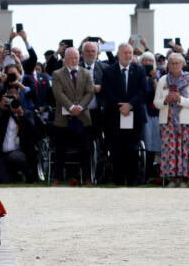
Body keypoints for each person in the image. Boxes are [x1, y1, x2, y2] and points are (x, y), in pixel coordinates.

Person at [102, 42, 147, 186]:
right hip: (115, 116)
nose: (128, 55)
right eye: (125, 53)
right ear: (118, 54)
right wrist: (121, 106)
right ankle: (119, 179)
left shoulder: (140, 70)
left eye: (130, 53)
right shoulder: (109, 71)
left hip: (135, 116)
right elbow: (106, 91)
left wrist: (130, 105)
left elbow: (143, 91)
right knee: (117, 149)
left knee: (132, 149)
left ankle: (133, 180)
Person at [153, 53, 189, 187]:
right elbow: (156, 102)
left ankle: (183, 180)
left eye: (177, 63)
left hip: (185, 121)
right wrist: (165, 100)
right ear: (168, 65)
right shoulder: (162, 80)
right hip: (167, 121)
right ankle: (172, 180)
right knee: (169, 151)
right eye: (171, 63)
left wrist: (180, 99)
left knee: (185, 150)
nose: (174, 66)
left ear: (182, 64)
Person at [51, 47, 94, 186]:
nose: (74, 61)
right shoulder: (57, 74)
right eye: (71, 58)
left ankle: (87, 178)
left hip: (83, 118)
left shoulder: (86, 73)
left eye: (76, 58)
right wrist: (70, 107)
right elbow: (58, 93)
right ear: (65, 59)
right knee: (60, 148)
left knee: (85, 149)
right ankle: (57, 177)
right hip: (63, 119)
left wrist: (79, 108)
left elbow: (90, 92)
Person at [0, 88, 37, 183]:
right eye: (10, 101)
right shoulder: (3, 114)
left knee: (15, 157)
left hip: (20, 153)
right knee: (4, 180)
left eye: (15, 101)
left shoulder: (26, 113)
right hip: (4, 155)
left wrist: (20, 114)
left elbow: (32, 128)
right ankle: (16, 176)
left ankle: (29, 175)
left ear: (19, 101)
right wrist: (0, 107)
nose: (13, 103)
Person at [139, 51, 161, 180]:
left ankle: (151, 169)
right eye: (145, 61)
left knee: (154, 141)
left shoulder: (157, 77)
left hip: (155, 111)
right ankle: (144, 170)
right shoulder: (137, 75)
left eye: (150, 61)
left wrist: (153, 79)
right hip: (143, 110)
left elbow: (159, 92)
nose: (147, 63)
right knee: (146, 140)